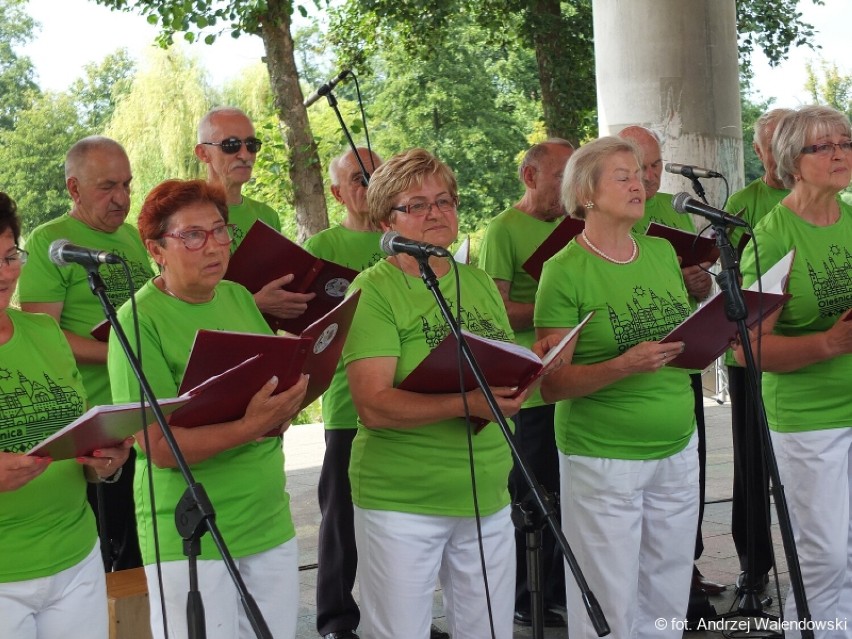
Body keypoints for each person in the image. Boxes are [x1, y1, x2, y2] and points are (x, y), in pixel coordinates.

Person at [343, 148, 548, 639]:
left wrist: (531, 368)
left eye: (444, 201)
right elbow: (373, 405)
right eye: (417, 205)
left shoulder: (475, 282)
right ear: (385, 220)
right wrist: (466, 404)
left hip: (486, 492)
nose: (436, 213)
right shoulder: (372, 291)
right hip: (403, 501)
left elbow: (497, 368)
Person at [106, 179, 309, 639]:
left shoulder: (237, 296)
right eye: (192, 235)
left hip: (266, 517)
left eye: (220, 231)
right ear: (156, 249)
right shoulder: (137, 322)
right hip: (190, 532)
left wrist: (284, 408)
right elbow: (157, 447)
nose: (213, 246)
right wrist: (250, 424)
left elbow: (259, 395)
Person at [536, 136, 698, 638]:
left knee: (668, 585)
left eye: (641, 174)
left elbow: (678, 334)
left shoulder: (661, 251)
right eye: (623, 176)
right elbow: (553, 384)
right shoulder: (563, 271)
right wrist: (622, 366)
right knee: (608, 597)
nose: (640, 183)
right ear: (586, 192)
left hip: (677, 443)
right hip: (604, 457)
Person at [735, 105, 852, 638]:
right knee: (824, 554)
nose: (839, 154)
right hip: (809, 420)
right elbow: (746, 350)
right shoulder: (772, 236)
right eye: (823, 147)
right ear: (792, 162)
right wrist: (828, 343)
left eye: (844, 142)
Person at [0, 191, 133, 639]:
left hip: (77, 558)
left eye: (8, 257)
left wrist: (105, 464)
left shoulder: (44, 332)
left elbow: (73, 435)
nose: (4, 274)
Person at [18, 136, 153, 571]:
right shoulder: (50, 242)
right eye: (107, 187)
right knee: (112, 565)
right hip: (96, 434)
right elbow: (46, 337)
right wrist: (122, 349)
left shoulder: (133, 239)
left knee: (146, 559)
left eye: (128, 185)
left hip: (146, 420)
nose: (122, 199)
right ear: (74, 189)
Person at [617, 125, 722, 600]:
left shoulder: (673, 214)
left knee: (689, 473)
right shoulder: (605, 222)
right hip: (625, 376)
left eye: (657, 164)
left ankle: (687, 570)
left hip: (679, 362)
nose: (652, 176)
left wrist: (699, 282)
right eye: (641, 167)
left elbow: (693, 285)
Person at [478, 138, 574, 628]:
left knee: (563, 491)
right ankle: (523, 594)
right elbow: (492, 307)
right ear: (531, 177)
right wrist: (556, 309)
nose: (569, 186)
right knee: (531, 492)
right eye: (562, 176)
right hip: (527, 387)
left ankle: (558, 589)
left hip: (566, 379)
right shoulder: (503, 230)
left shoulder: (571, 226)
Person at [304, 147, 384, 639]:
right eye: (358, 178)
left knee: (391, 521)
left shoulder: (405, 240)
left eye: (377, 175)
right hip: (346, 404)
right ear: (336, 193)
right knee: (341, 517)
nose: (369, 184)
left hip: (408, 400)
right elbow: (309, 331)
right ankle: (336, 619)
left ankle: (389, 616)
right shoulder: (321, 248)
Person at [723, 108, 793, 593]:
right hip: (749, 352)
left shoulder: (818, 200)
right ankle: (754, 565)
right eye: (776, 141)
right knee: (752, 464)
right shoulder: (742, 204)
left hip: (804, 356)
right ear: (760, 150)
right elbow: (722, 274)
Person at [195, 106, 314, 321]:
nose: (245, 155)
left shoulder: (267, 215)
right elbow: (183, 300)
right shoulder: (186, 214)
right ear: (203, 153)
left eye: (251, 145)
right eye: (231, 145)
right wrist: (256, 304)